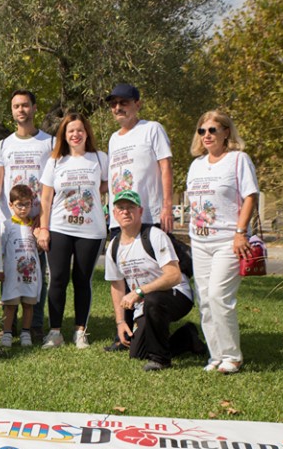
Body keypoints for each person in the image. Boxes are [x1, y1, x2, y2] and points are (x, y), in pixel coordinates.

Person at [185, 110, 259, 374]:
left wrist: (241, 231)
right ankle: (216, 355)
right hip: (200, 241)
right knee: (204, 299)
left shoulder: (238, 160)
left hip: (229, 240)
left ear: (226, 132)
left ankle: (233, 356)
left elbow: (250, 196)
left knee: (219, 295)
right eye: (202, 130)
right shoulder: (196, 165)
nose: (206, 135)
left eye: (212, 130)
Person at [104, 83, 174, 351]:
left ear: (137, 104)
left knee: (151, 275)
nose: (118, 108)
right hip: (118, 219)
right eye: (113, 104)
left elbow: (165, 166)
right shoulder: (113, 139)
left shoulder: (152, 129)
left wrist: (167, 206)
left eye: (124, 102)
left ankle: (155, 329)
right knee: (123, 276)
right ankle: (124, 331)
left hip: (148, 215)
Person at [36, 112, 108, 349]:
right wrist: (44, 228)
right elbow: (46, 198)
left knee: (82, 279)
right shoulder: (55, 161)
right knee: (57, 279)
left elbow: (107, 185)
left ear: (87, 133)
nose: (75, 134)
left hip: (91, 230)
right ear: (64, 136)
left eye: (79, 130)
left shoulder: (99, 158)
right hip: (59, 227)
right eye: (70, 131)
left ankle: (80, 331)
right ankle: (55, 332)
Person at [105, 190, 197, 371]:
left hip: (177, 295)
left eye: (130, 207)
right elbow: (116, 285)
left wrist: (140, 291)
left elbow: (174, 276)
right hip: (147, 302)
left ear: (140, 211)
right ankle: (188, 338)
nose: (125, 212)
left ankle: (160, 360)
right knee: (137, 353)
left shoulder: (154, 235)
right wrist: (121, 322)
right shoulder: (114, 247)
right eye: (120, 208)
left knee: (153, 300)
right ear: (114, 214)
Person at [0, 90, 54, 341]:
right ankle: (9, 326)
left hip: (38, 222)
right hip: (11, 222)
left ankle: (34, 325)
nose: (21, 110)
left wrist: (44, 219)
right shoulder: (3, 145)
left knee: (38, 275)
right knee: (10, 273)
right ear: (12, 110)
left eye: (25, 105)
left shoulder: (49, 143)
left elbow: (53, 183)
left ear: (34, 108)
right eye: (16, 106)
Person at [0, 184, 41, 348]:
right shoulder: (7, 226)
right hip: (12, 274)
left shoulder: (34, 226)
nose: (23, 209)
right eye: (19, 205)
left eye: (27, 204)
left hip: (30, 274)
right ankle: (7, 333)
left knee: (28, 305)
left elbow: (40, 248)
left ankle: (26, 332)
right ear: (11, 205)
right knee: (10, 305)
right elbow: (0, 250)